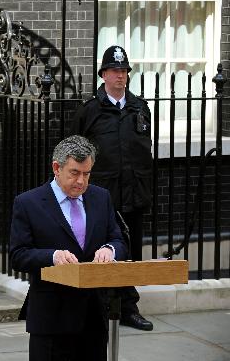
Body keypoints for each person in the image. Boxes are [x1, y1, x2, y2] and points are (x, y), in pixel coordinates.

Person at [10, 135, 126, 361]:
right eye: (75, 173)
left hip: (93, 318)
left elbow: (119, 239)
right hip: (52, 320)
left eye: (87, 173)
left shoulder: (101, 198)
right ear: (57, 167)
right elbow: (18, 255)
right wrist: (53, 256)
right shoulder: (28, 203)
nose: (81, 181)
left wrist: (110, 250)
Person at [71, 45, 154, 331]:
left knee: (129, 253)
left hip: (134, 193)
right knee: (100, 251)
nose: (121, 76)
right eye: (115, 71)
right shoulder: (90, 111)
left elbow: (146, 151)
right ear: (103, 74)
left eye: (124, 71)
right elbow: (75, 153)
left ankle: (128, 308)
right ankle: (101, 307)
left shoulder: (139, 108)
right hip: (102, 197)